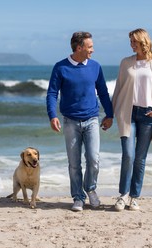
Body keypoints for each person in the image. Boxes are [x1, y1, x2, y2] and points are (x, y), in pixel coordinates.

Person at [46, 31, 113, 212]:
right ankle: (78, 197)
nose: (93, 49)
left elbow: (103, 92)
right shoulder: (60, 67)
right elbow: (52, 93)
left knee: (93, 159)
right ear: (79, 47)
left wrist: (110, 114)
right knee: (74, 163)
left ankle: (90, 189)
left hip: (92, 119)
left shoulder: (95, 67)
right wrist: (52, 115)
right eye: (89, 46)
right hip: (70, 121)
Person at [112, 28, 152, 211]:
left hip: (148, 115)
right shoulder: (126, 63)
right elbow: (118, 89)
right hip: (127, 113)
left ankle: (134, 197)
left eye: (134, 42)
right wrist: (109, 114)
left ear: (143, 41)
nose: (131, 45)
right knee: (128, 155)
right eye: (130, 42)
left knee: (140, 158)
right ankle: (123, 195)